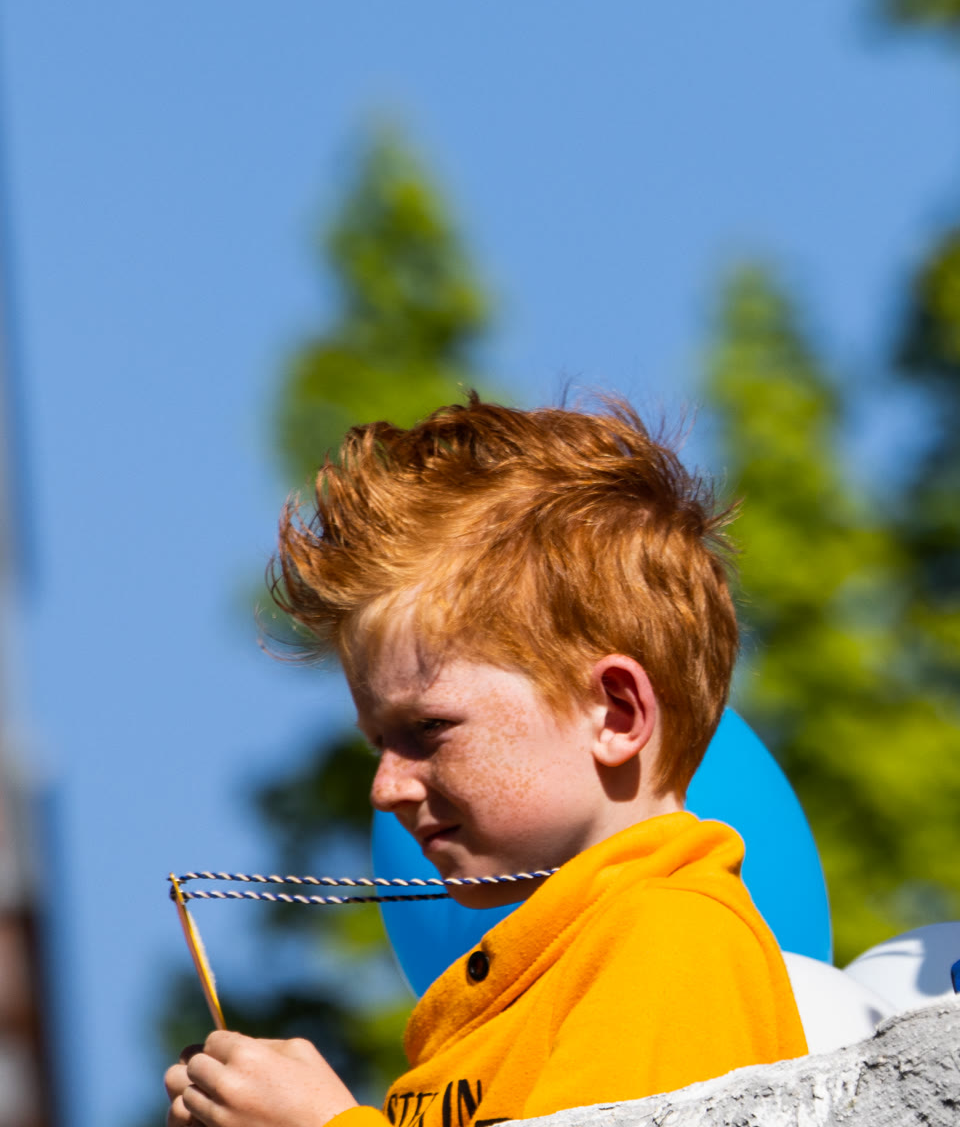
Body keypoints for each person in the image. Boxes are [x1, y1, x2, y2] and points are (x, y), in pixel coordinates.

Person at [164, 398, 806, 1127]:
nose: (385, 788)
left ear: (616, 713)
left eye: (428, 728)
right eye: (379, 744)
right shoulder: (531, 987)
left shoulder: (673, 941)